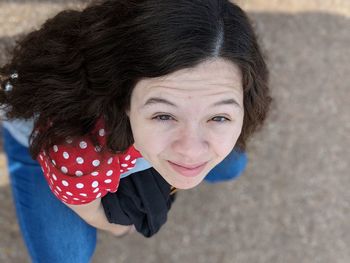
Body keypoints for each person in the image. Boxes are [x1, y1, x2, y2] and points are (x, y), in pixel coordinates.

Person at [0, 0, 271, 262]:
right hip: (46, 140)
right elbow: (91, 211)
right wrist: (119, 226)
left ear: (246, 100)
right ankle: (24, 156)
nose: (190, 150)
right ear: (123, 100)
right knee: (65, 257)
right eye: (164, 115)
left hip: (125, 143)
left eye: (219, 117)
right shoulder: (75, 150)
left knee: (231, 165)